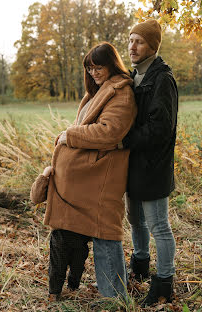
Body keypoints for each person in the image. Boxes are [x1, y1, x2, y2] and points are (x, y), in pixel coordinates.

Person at [35, 42, 137, 300]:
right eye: (89, 68)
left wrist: (69, 136)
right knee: (76, 235)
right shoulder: (98, 91)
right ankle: (75, 288)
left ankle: (115, 298)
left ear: (112, 64)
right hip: (86, 180)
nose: (93, 72)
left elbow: (108, 132)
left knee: (105, 234)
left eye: (98, 67)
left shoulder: (121, 93)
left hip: (100, 177)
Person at [123, 19, 178, 307]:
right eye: (130, 40)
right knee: (135, 221)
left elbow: (161, 128)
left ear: (152, 46)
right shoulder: (135, 76)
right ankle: (140, 268)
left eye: (139, 41)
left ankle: (163, 284)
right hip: (133, 165)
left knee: (159, 226)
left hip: (153, 166)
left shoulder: (161, 78)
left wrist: (124, 139)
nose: (132, 46)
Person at [30, 165, 90, 301]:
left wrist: (45, 174)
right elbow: (36, 197)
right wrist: (45, 176)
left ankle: (60, 291)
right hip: (73, 228)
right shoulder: (58, 171)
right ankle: (61, 291)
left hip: (73, 227)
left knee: (68, 262)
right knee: (71, 261)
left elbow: (36, 197)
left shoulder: (57, 169)